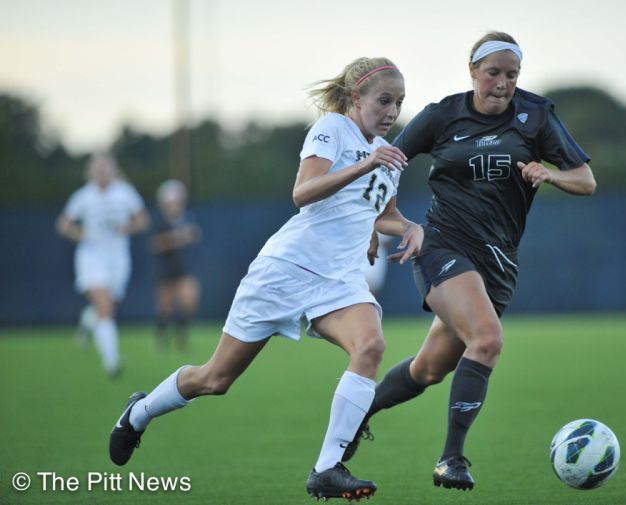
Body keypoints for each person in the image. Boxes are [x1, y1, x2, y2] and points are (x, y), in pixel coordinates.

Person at [108, 57, 424, 501]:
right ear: (356, 98)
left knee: (370, 344)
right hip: (286, 271)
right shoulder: (333, 129)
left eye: (400, 103)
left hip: (338, 281)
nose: (392, 111)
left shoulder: (387, 157)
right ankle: (138, 413)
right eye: (384, 100)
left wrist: (410, 226)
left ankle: (327, 468)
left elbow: (383, 214)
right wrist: (364, 164)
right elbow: (302, 192)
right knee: (215, 379)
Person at [342, 32, 597, 491]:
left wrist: (551, 174)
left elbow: (586, 180)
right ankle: (451, 460)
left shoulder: (535, 115)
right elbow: (387, 162)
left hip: (498, 261)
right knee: (487, 338)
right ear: (473, 71)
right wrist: (380, 220)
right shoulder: (443, 115)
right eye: (493, 73)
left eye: (512, 74)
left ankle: (358, 414)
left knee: (428, 370)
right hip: (441, 244)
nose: (503, 83)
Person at [56, 154, 150, 377]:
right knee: (105, 308)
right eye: (98, 169)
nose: (102, 173)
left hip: (118, 258)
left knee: (108, 306)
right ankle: (112, 362)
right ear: (90, 172)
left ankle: (88, 321)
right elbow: (63, 224)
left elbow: (143, 220)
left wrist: (126, 228)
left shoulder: (125, 193)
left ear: (114, 171)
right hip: (91, 256)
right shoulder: (83, 197)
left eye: (106, 169)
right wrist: (78, 234)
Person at [151, 179, 201, 351]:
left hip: (183, 268)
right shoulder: (160, 222)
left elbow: (193, 236)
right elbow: (156, 244)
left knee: (190, 301)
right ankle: (161, 337)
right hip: (165, 269)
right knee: (166, 309)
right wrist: (177, 238)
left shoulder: (187, 218)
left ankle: (182, 336)